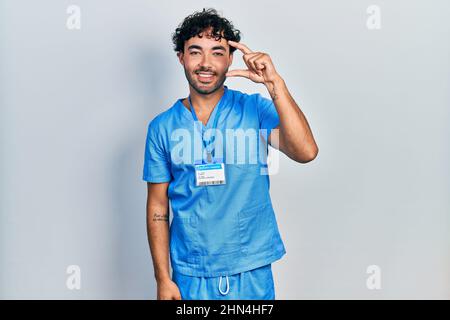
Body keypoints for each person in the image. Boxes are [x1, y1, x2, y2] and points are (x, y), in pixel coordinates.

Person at [143, 8, 318, 300]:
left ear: (231, 59)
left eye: (217, 52)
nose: (206, 63)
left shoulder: (255, 110)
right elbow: (157, 208)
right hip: (191, 275)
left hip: (250, 270)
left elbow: (306, 151)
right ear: (181, 58)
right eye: (196, 52)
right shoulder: (162, 128)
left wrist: (276, 85)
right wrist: (163, 278)